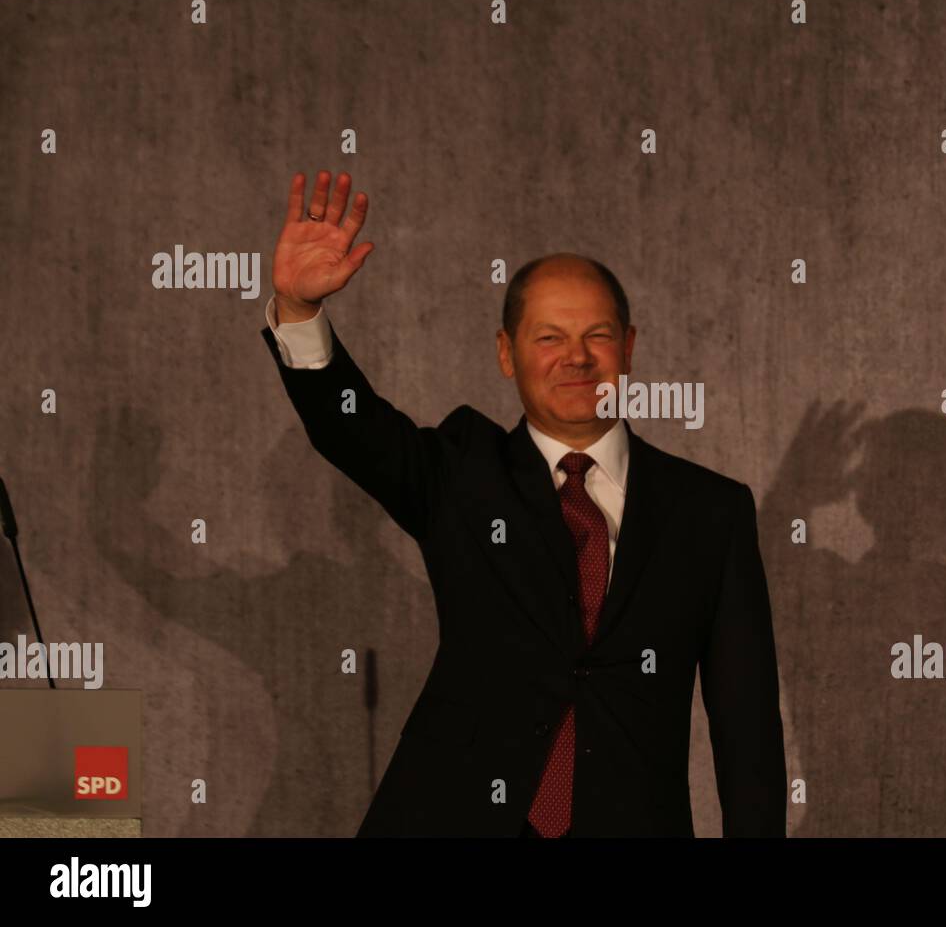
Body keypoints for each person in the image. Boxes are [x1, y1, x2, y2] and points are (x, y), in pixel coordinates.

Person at [260, 170, 786, 837]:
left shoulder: (712, 512)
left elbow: (748, 730)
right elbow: (350, 426)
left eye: (597, 335)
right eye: (548, 338)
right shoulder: (458, 474)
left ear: (628, 348)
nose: (576, 358)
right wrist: (300, 312)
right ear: (506, 354)